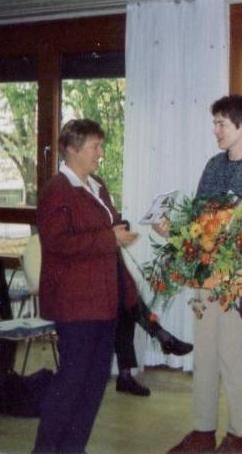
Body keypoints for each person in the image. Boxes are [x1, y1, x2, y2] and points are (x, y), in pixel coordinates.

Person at [32, 119, 192, 453]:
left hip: (103, 301)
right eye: (95, 147)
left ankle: (73, 448)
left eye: (101, 147)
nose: (101, 154)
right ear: (72, 149)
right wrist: (109, 237)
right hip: (76, 304)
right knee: (71, 384)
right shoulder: (56, 190)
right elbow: (58, 242)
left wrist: (124, 226)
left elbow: (105, 224)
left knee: (93, 385)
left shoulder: (95, 184)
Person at [166, 95, 242, 453]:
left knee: (234, 357)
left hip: (239, 281)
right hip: (205, 278)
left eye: (221, 123)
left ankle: (239, 435)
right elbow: (197, 219)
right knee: (205, 356)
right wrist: (174, 232)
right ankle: (203, 431)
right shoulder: (212, 165)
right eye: (214, 123)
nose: (216, 130)